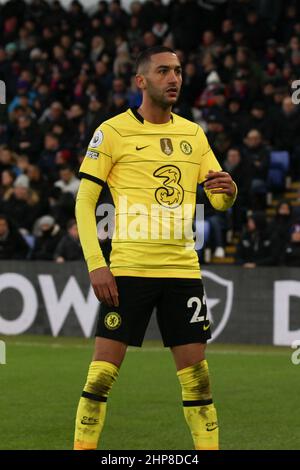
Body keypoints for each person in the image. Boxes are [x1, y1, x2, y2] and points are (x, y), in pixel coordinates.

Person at [74, 46, 237, 451]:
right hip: (127, 271)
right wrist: (97, 264)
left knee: (198, 380)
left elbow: (218, 199)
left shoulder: (193, 134)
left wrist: (229, 193)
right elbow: (83, 202)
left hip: (183, 272)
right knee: (100, 377)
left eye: (178, 71)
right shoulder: (111, 132)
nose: (174, 78)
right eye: (164, 71)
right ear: (141, 81)